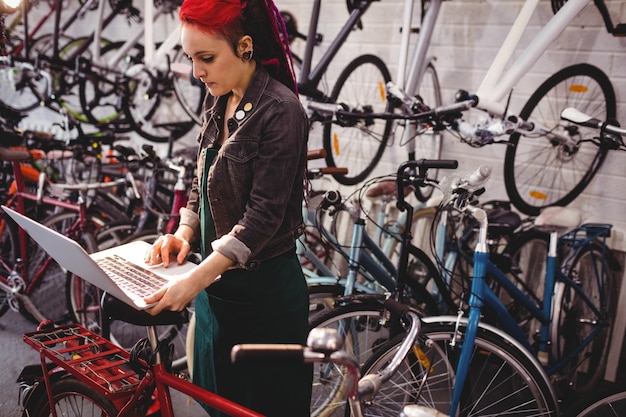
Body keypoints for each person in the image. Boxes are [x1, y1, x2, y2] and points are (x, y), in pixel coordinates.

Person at [143, 0, 312, 415]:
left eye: (207, 58)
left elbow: (262, 218)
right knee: (217, 407)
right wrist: (183, 233)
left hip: (264, 303)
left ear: (246, 47)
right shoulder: (219, 99)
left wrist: (194, 280)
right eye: (190, 59)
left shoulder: (282, 112)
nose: (196, 72)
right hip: (217, 297)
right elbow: (202, 184)